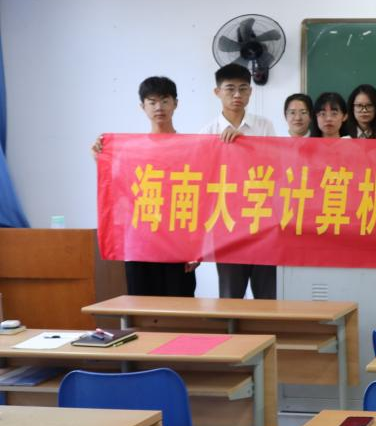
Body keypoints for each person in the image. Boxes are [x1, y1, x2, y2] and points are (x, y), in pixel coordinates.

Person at [91, 76, 197, 297]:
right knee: (141, 308)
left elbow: (200, 198)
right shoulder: (130, 150)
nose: (159, 107)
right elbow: (117, 187)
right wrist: (100, 157)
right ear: (143, 106)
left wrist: (197, 249)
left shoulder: (192, 147)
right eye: (152, 102)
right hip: (140, 243)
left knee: (180, 307)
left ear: (176, 104)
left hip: (178, 243)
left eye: (165, 101)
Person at [199, 64, 278, 300]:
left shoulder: (264, 126)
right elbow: (203, 178)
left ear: (250, 92)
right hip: (226, 222)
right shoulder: (207, 133)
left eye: (243, 89)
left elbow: (274, 168)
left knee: (267, 295)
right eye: (230, 89)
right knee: (230, 295)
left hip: (262, 220)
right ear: (217, 92)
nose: (237, 95)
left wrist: (247, 146)